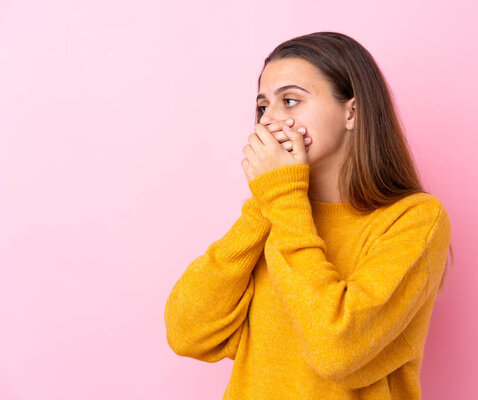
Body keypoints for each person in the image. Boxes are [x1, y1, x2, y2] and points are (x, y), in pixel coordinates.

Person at [164, 31, 454, 399]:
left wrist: (283, 198)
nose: (270, 119)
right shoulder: (276, 212)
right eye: (262, 106)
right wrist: (268, 200)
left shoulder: (414, 219)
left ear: (351, 112)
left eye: (290, 100)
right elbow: (187, 333)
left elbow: (338, 350)